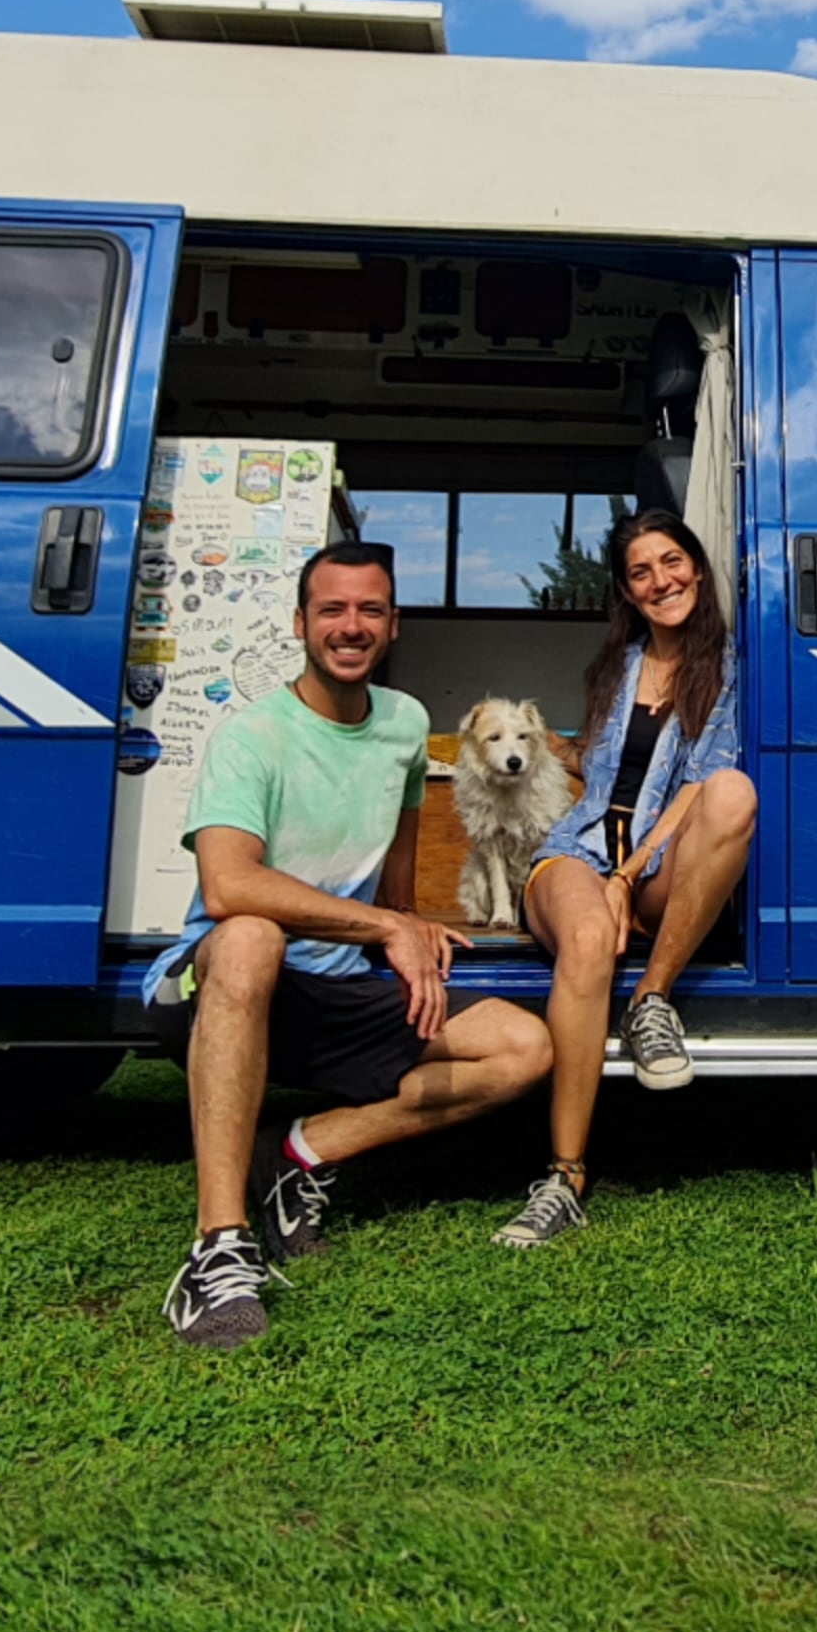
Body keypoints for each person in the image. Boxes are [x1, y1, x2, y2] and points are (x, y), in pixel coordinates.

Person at [148, 540, 553, 1348]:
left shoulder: (404, 724)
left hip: (339, 987)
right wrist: (384, 927)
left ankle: (295, 1153)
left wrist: (409, 924)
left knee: (524, 1047)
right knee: (250, 937)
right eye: (331, 609)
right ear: (301, 623)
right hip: (228, 988)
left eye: (370, 609)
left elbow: (395, 876)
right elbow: (227, 885)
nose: (351, 625)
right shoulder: (251, 737)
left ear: (393, 624)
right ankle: (219, 1245)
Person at [502, 507, 755, 1249]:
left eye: (672, 562)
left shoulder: (730, 666)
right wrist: (550, 747)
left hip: (653, 866)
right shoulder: (618, 664)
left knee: (733, 792)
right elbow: (605, 767)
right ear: (627, 590)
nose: (660, 580)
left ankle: (651, 1000)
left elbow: (697, 784)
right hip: (578, 851)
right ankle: (564, 1176)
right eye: (641, 572)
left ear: (697, 568)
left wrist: (630, 875)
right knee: (586, 940)